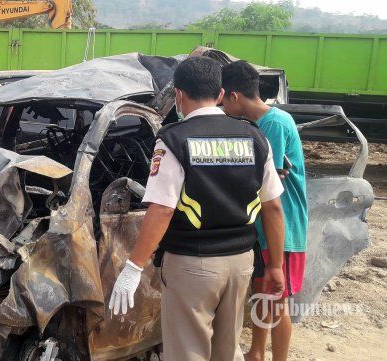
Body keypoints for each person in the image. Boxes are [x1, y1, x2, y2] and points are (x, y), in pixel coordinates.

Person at [108, 56, 287, 361]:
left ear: (178, 94)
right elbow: (273, 209)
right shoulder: (255, 136)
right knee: (227, 351)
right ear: (220, 94)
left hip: (193, 264)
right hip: (241, 262)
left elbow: (162, 210)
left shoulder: (173, 140)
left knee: (188, 352)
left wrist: (134, 267)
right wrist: (274, 266)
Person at [221, 60, 308, 361]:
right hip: (264, 227)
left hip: (281, 227)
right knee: (263, 296)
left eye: (221, 99)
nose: (220, 107)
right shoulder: (262, 122)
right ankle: (257, 352)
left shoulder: (274, 123)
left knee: (277, 300)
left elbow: (259, 175)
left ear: (233, 96)